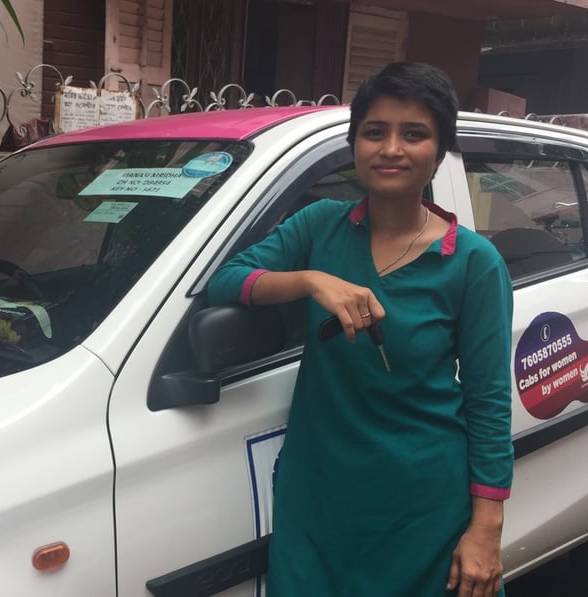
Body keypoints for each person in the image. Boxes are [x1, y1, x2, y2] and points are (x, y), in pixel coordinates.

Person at [207, 62, 514, 596]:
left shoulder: (473, 262)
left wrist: (486, 531)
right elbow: (225, 282)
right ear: (354, 145)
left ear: (438, 153)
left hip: (423, 509)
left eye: (413, 134)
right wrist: (309, 281)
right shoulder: (318, 226)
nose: (391, 148)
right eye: (375, 132)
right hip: (318, 500)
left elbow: (489, 403)